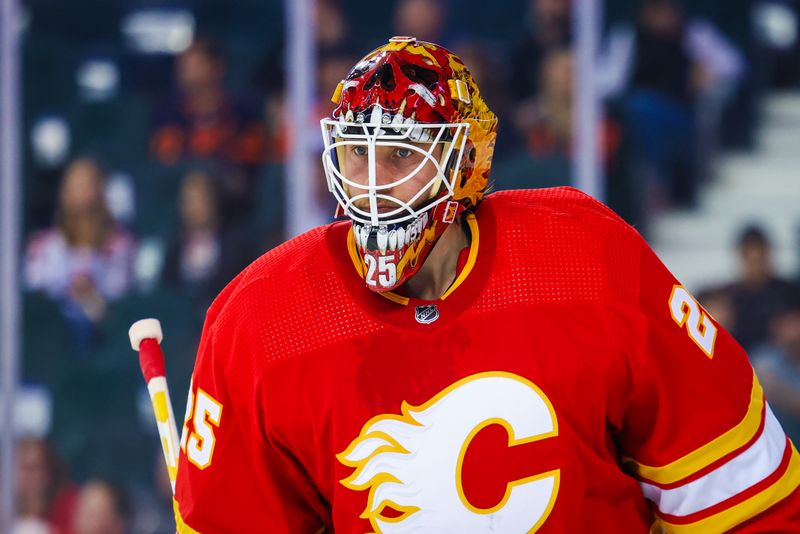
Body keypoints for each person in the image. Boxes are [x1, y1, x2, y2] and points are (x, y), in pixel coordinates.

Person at [173, 37, 800, 531]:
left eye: (400, 155)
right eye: (355, 154)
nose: (370, 185)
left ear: (464, 161)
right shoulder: (259, 317)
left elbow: (743, 495)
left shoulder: (587, 257)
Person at [24, 157, 135, 347]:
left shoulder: (122, 245)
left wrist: (90, 295)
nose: (81, 194)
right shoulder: (42, 245)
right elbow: (35, 304)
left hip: (110, 342)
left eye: (88, 184)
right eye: (74, 185)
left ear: (102, 191)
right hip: (52, 342)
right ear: (63, 193)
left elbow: (122, 303)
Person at [727, 224, 800, 351]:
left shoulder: (789, 291)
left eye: (760, 260)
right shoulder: (729, 296)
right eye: (752, 261)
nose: (756, 268)